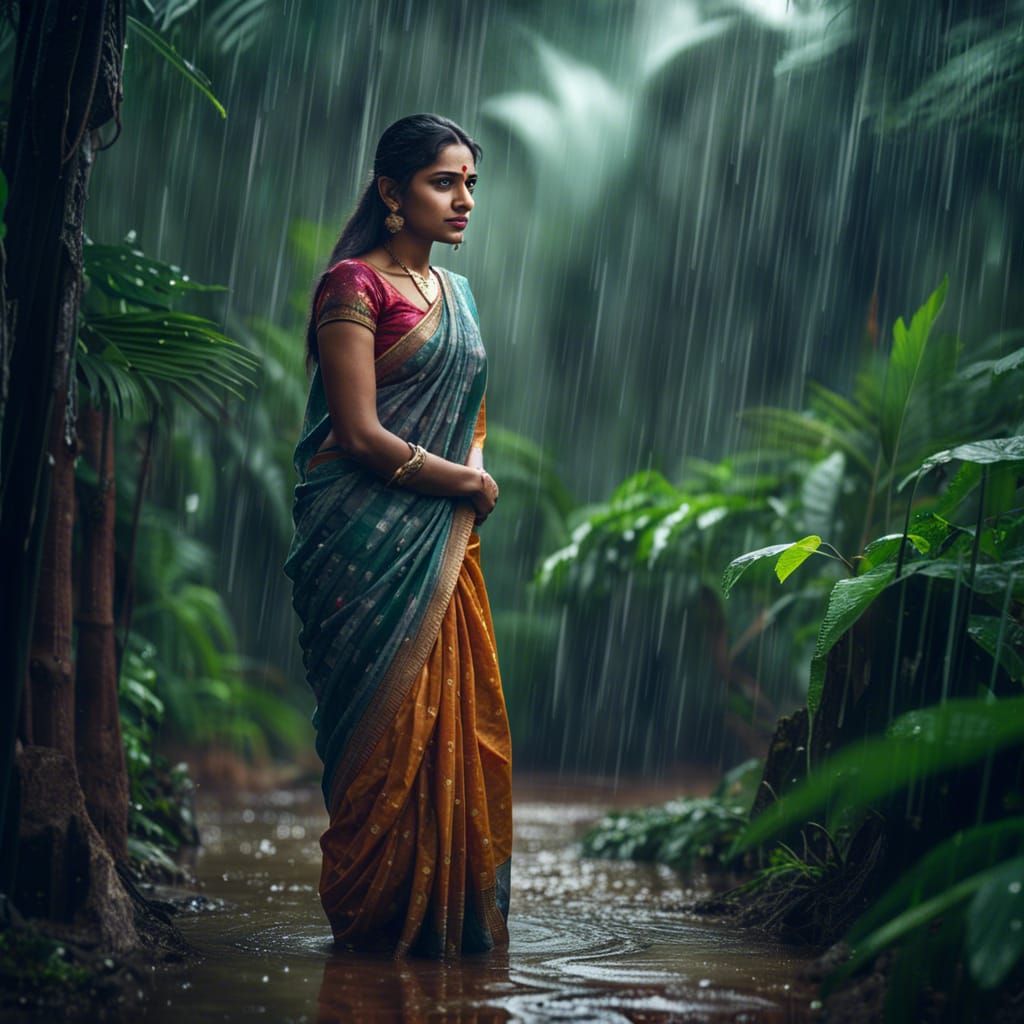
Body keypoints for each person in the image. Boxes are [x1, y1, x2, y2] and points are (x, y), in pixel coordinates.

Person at [284, 114, 513, 959]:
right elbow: (356, 435)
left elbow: (467, 418)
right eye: (444, 182)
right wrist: (467, 484)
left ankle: (445, 923)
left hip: (444, 554)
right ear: (391, 191)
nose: (463, 200)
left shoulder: (460, 298)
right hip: (361, 546)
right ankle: (379, 918)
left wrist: (465, 483)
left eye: (471, 184)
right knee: (380, 738)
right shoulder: (352, 287)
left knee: (457, 726)